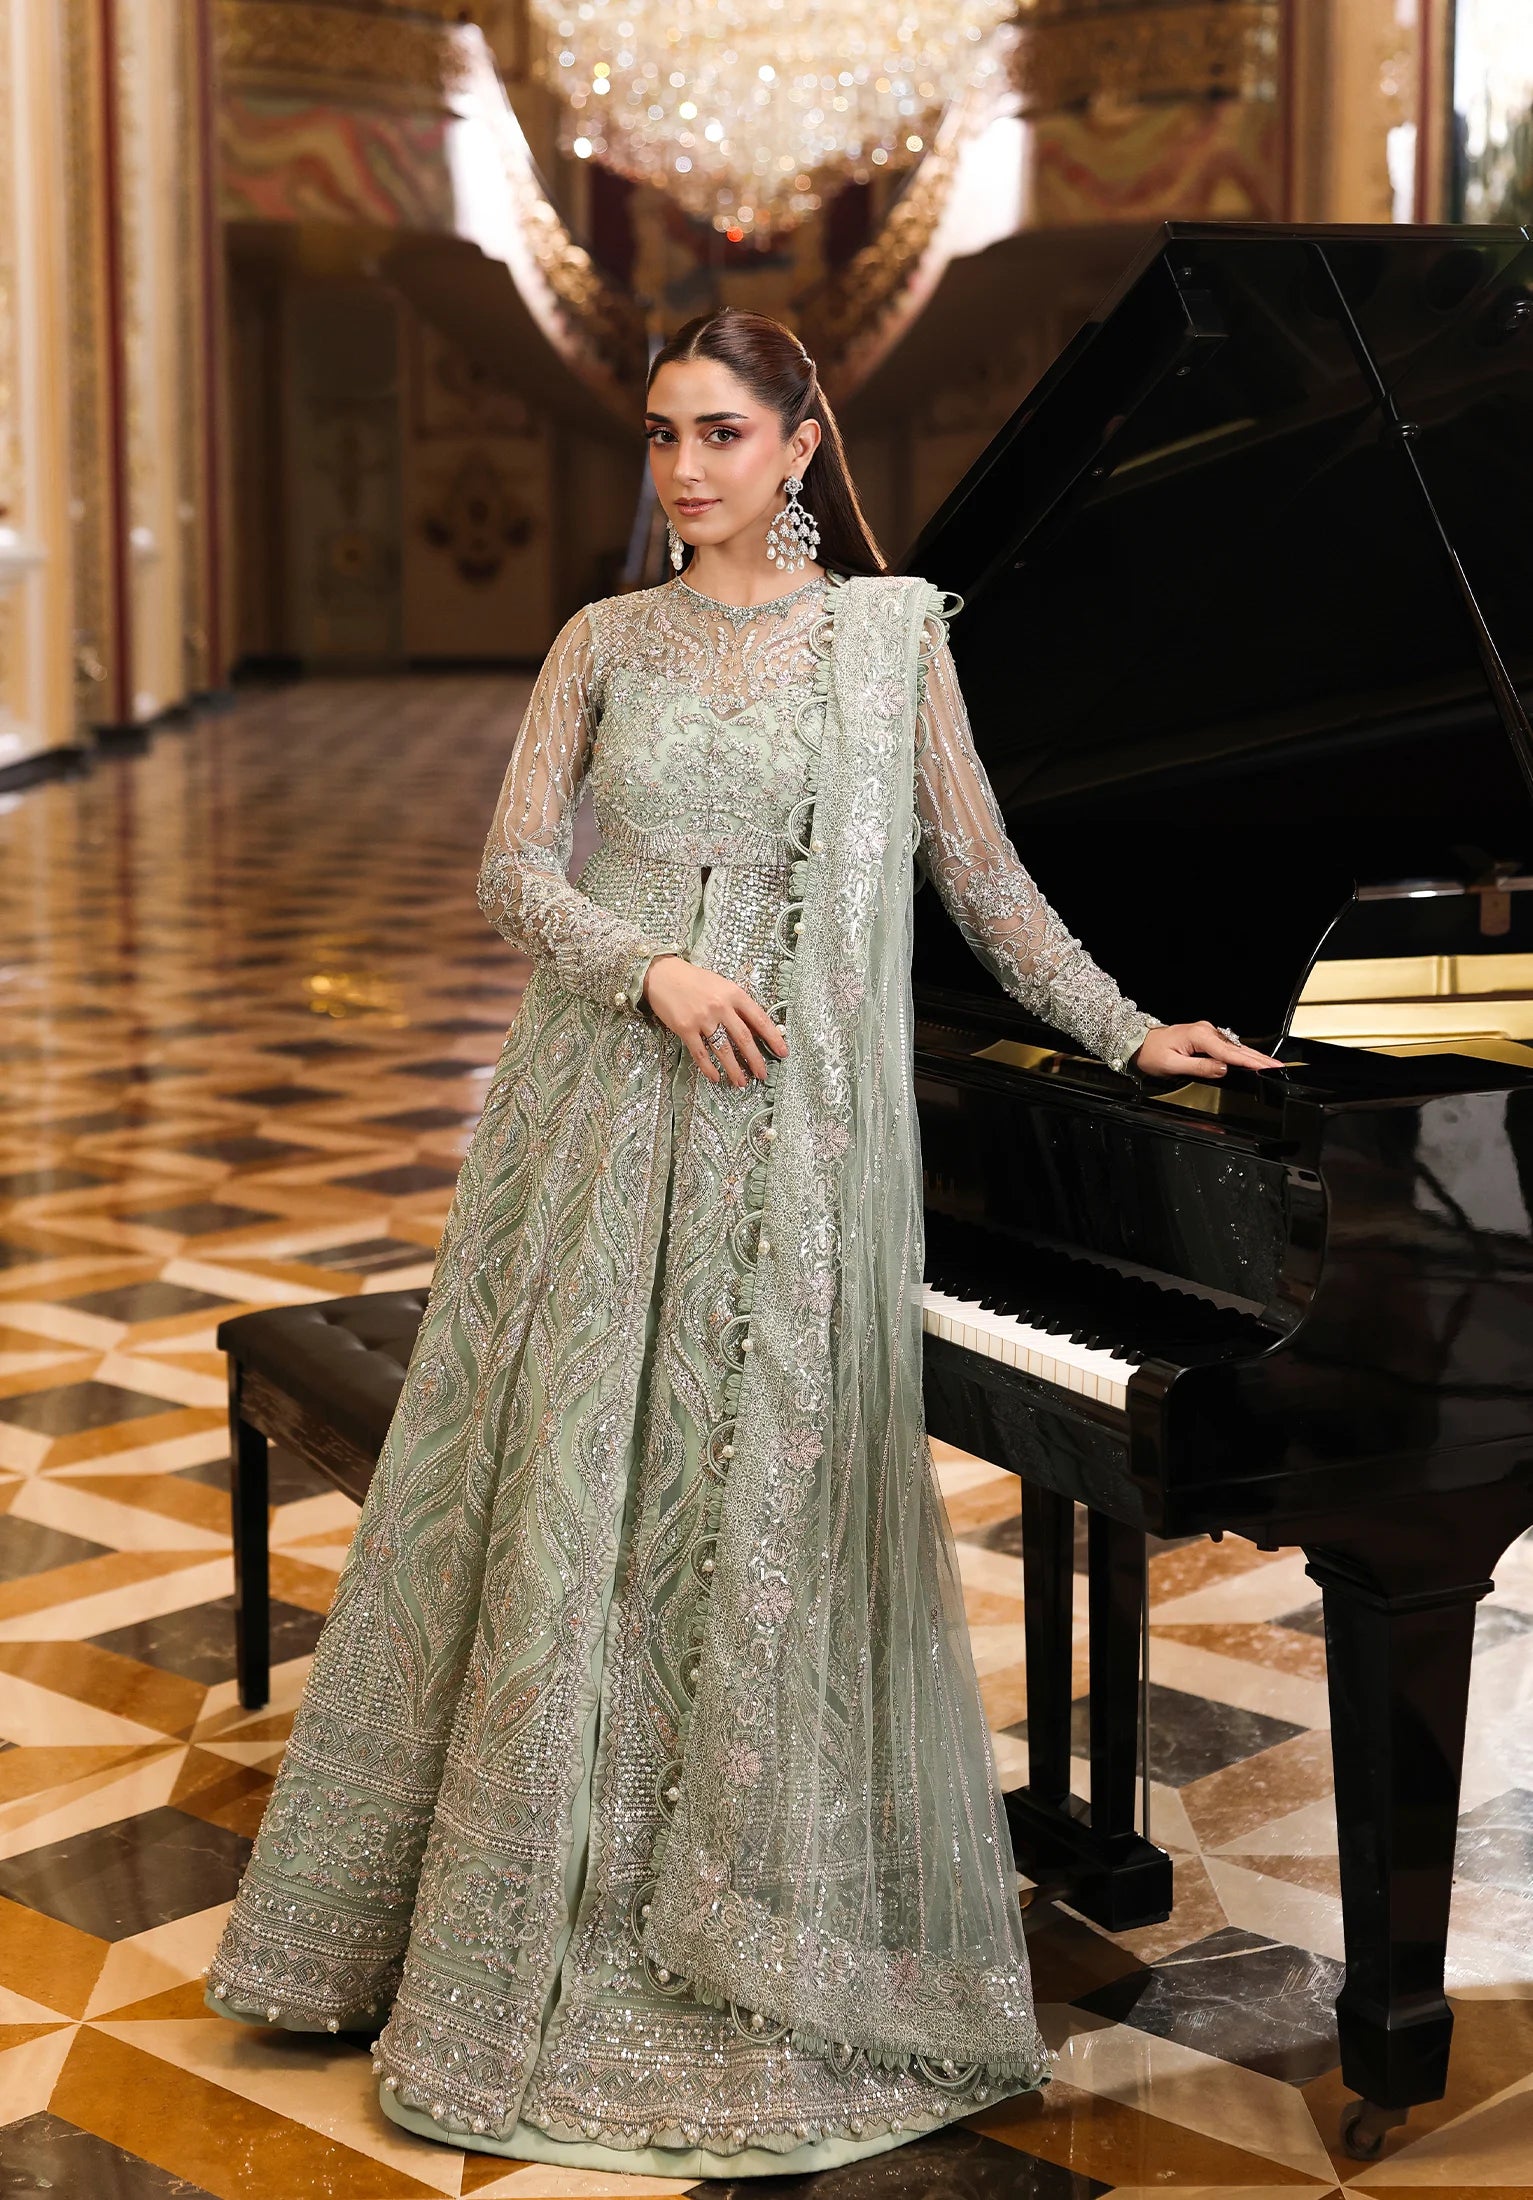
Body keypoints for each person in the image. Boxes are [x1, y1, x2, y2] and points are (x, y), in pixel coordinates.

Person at [206, 307, 1279, 2178]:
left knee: (749, 1500)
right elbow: (512, 869)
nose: (682, 470)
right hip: (598, 1113)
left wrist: (1124, 1031)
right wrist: (654, 970)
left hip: (793, 1141)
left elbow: (982, 872)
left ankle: (731, 1892)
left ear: (801, 445)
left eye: (718, 432)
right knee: (565, 1505)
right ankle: (512, 1906)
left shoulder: (887, 640)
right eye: (656, 436)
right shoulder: (601, 640)